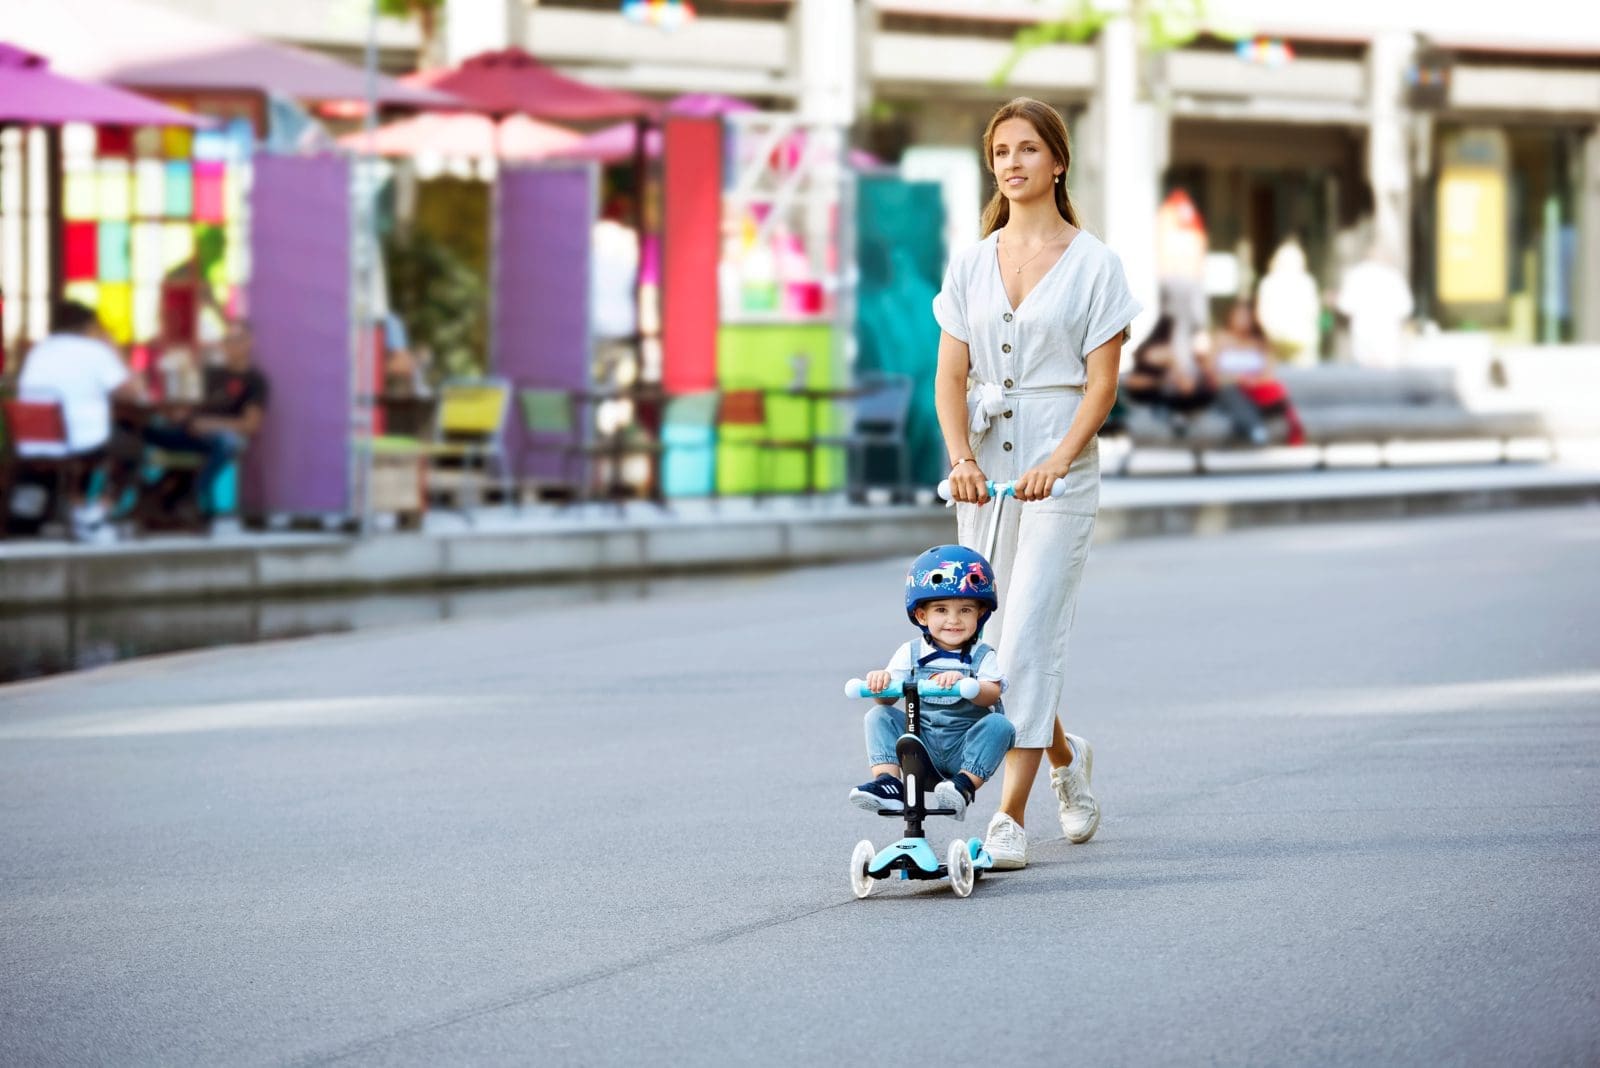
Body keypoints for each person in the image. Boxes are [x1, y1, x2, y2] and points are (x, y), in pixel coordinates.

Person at [933, 97, 1142, 870]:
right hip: (985, 474)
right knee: (987, 641)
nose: (1012, 164)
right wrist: (961, 458)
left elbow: (1101, 386)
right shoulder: (971, 262)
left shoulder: (1096, 265)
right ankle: (1065, 755)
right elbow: (951, 375)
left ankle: (1008, 818)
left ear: (1057, 161)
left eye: (1026, 150)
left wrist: (1061, 457)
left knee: (1028, 640)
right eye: (999, 153)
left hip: (1060, 472)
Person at [850, 545, 1014, 822]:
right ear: (922, 615)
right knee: (878, 715)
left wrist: (966, 683)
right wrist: (882, 682)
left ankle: (963, 786)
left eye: (965, 610)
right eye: (941, 609)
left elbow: (991, 694)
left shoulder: (982, 655)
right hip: (919, 747)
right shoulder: (910, 653)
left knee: (1000, 725)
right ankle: (889, 784)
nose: (953, 620)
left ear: (980, 614)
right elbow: (887, 698)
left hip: (964, 750)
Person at [15, 300, 146, 535]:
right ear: (90, 326)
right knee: (133, 447)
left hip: (35, 440)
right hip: (80, 441)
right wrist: (114, 349)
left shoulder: (39, 351)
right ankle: (96, 510)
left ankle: (78, 506)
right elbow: (134, 393)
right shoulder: (95, 351)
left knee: (99, 442)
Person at [140, 320, 268, 515]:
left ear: (249, 342)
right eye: (228, 340)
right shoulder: (211, 374)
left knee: (226, 442)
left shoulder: (255, 381)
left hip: (222, 437)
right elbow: (189, 406)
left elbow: (250, 425)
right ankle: (149, 493)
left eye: (238, 339)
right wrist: (179, 414)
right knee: (141, 430)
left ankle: (199, 495)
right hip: (191, 432)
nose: (232, 345)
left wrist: (210, 425)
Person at [1214, 301, 1306, 446]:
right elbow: (1213, 371)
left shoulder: (1260, 342)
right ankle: (1255, 428)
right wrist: (1238, 379)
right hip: (1230, 388)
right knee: (1231, 392)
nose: (1242, 320)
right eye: (1238, 315)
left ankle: (1255, 427)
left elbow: (1269, 372)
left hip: (1257, 391)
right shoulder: (1221, 339)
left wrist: (1253, 381)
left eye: (1246, 316)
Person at [1336, 242, 1414, 369]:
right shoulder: (1393, 276)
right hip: (1387, 333)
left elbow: (1345, 306)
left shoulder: (1356, 275)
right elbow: (1405, 308)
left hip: (1362, 332)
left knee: (1364, 376)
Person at [1254, 237, 1321, 366]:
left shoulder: (1306, 282)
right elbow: (1263, 313)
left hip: (1302, 341)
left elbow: (1312, 311)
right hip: (1275, 341)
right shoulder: (1269, 283)